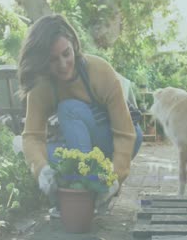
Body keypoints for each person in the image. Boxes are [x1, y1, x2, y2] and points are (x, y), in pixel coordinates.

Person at [17, 14, 143, 212]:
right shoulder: (41, 86)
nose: (62, 64)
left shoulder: (100, 71)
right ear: (42, 61)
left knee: (69, 109)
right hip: (76, 143)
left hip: (107, 138)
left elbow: (125, 134)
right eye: (52, 60)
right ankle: (76, 197)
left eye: (66, 54)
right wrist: (42, 170)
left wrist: (114, 177)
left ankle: (89, 188)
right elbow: (32, 137)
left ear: (74, 44)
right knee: (49, 158)